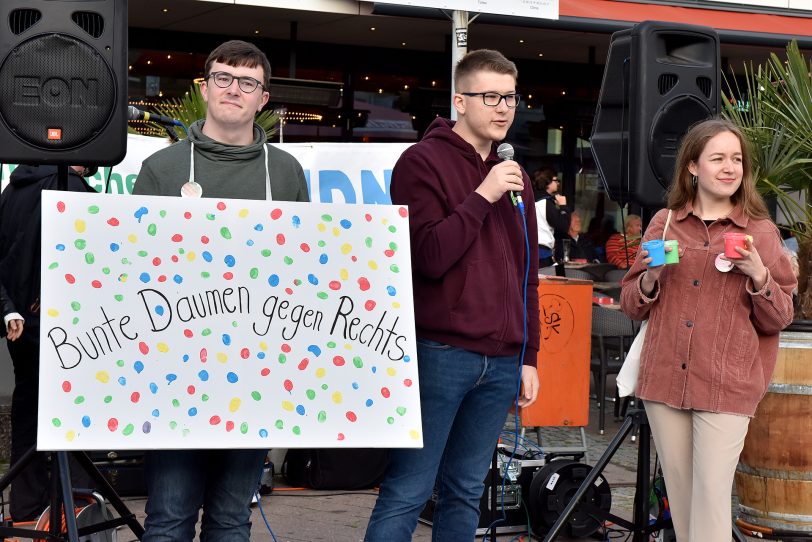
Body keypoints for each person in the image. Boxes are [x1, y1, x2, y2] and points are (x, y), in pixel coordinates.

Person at [134, 39, 309, 541]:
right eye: (224, 78)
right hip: (174, 368)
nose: (235, 89)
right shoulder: (162, 170)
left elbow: (306, 272)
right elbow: (135, 267)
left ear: (263, 99)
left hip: (256, 370)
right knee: (168, 518)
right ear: (206, 88)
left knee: (232, 520)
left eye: (248, 82)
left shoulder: (288, 172)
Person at [364, 49, 540, 541]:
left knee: (466, 491)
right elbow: (428, 257)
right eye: (490, 96)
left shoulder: (516, 176)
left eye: (510, 96)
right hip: (440, 353)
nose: (504, 107)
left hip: (503, 360)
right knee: (407, 491)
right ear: (460, 100)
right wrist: (482, 195)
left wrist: (530, 356)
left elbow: (528, 272)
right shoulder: (421, 162)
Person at [620, 118, 796, 541]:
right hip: (665, 380)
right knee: (682, 500)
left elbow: (780, 318)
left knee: (712, 496)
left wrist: (758, 276)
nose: (730, 167)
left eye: (736, 159)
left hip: (727, 385)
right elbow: (632, 304)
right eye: (718, 158)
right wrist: (649, 277)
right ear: (692, 167)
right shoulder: (664, 222)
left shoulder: (761, 232)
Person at [0, 164, 97, 522]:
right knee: (74, 410)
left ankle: (26, 508)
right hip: (63, 322)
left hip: (20, 324)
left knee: (28, 407)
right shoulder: (74, 188)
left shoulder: (11, 191)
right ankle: (75, 506)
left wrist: (12, 307)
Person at [534, 167, 570, 267]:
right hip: (542, 253)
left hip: (530, 249)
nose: (558, 183)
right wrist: (563, 206)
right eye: (556, 180)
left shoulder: (530, 198)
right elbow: (563, 226)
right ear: (547, 181)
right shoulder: (545, 202)